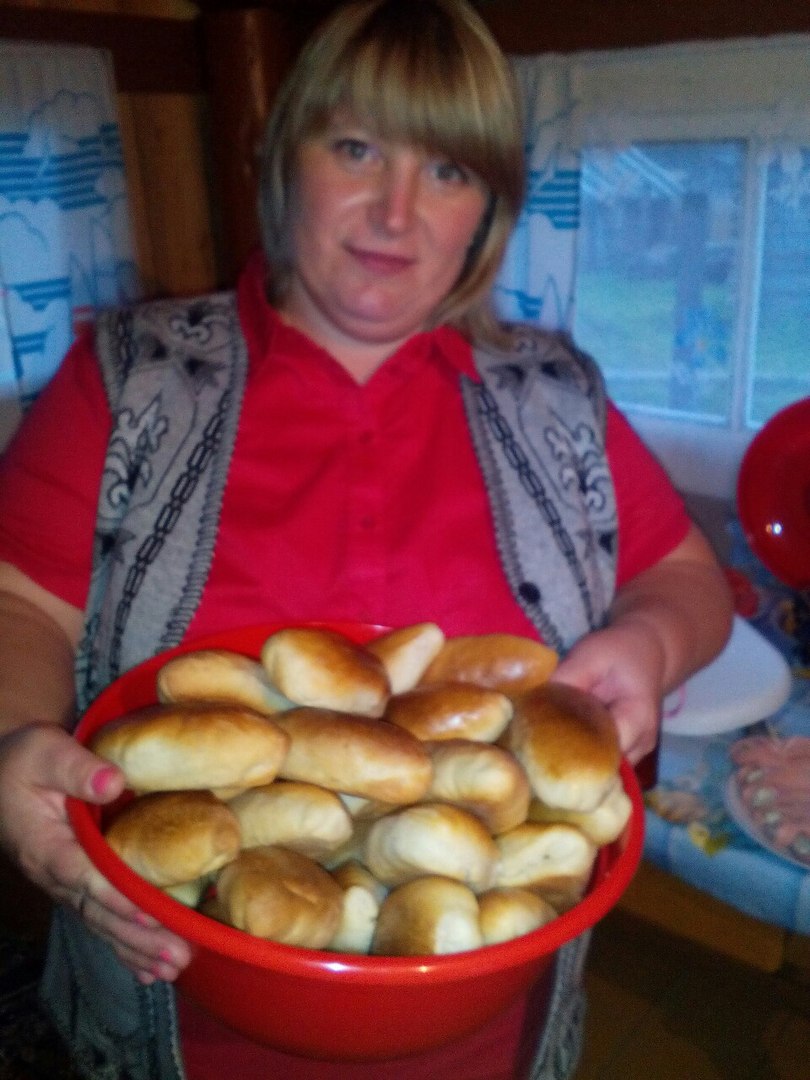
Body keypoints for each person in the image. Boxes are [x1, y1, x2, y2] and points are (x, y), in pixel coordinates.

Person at [0, 1, 732, 1078]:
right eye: (355, 149)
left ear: (488, 210)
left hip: (492, 1031)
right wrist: (16, 739)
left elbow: (686, 577)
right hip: (171, 1017)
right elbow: (19, 603)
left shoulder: (557, 397)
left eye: (448, 170)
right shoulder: (130, 378)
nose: (396, 212)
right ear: (281, 159)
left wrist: (653, 644)